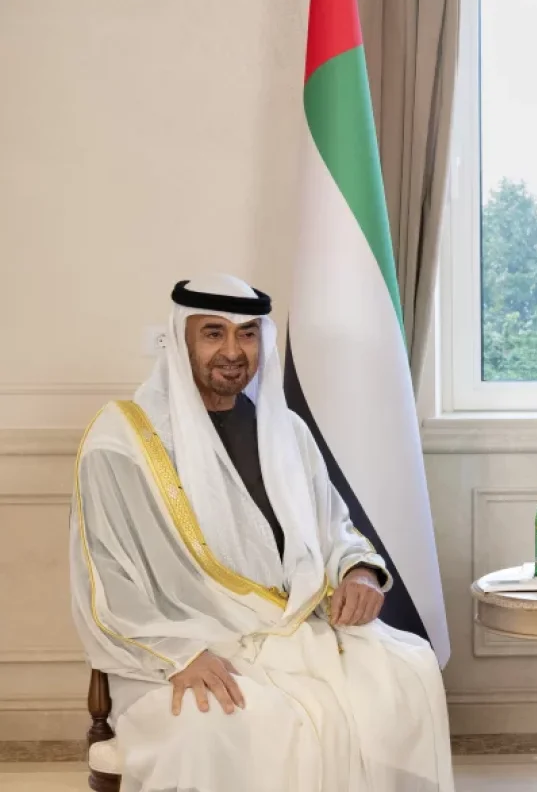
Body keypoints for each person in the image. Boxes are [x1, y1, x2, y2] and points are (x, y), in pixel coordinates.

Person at [69, 274, 455, 792]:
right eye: (214, 333)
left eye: (247, 334)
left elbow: (334, 527)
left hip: (294, 631)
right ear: (181, 339)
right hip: (176, 651)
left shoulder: (287, 431)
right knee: (244, 722)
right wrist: (180, 655)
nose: (233, 351)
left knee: (410, 670)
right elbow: (105, 575)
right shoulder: (124, 439)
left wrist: (359, 571)